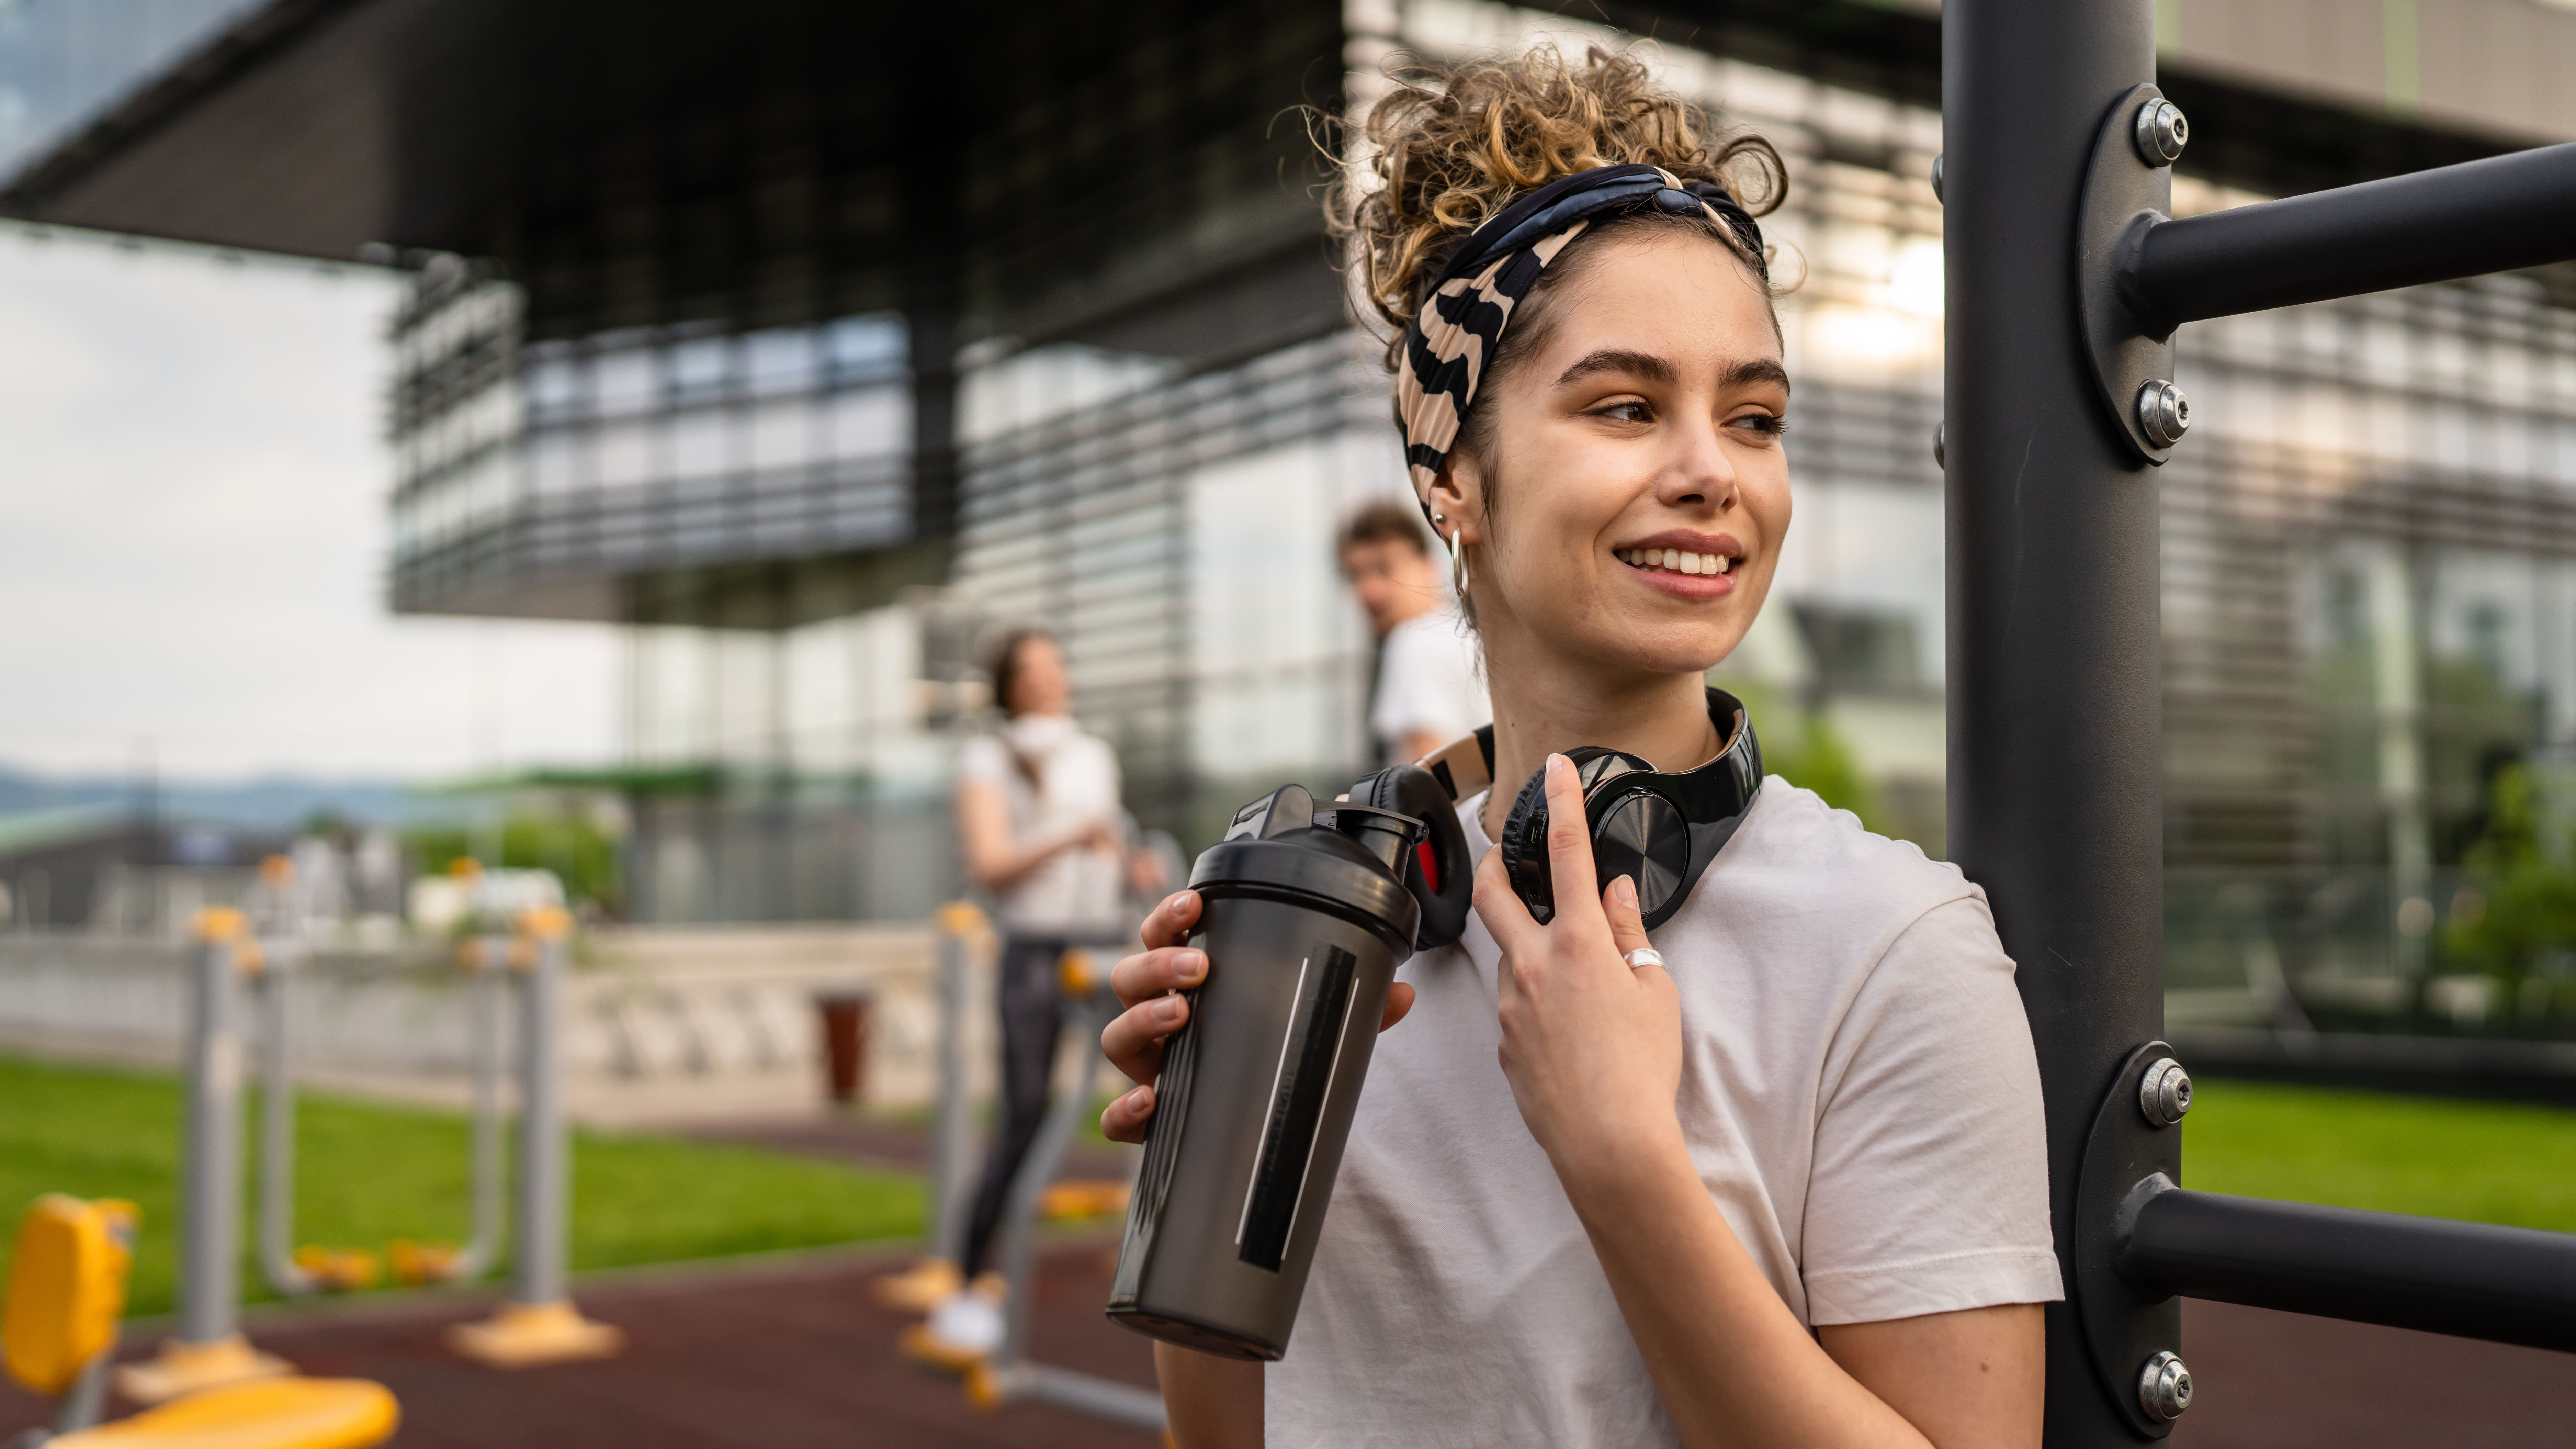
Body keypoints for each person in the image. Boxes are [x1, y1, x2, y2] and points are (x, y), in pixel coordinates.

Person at [1096, 45, 2057, 1449]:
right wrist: (1196, 1166)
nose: (1713, 470)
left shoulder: (1891, 944)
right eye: (1624, 405)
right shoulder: (1322, 919)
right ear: (1454, 481)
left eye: (1755, 416)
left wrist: (1618, 1153)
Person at [901, 627, 1154, 1360]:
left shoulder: (1091, 753)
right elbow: (991, 864)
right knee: (1024, 1115)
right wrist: (1070, 836)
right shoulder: (988, 756)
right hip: (1034, 952)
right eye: (1032, 670)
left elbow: (1109, 846)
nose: (1048, 679)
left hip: (1101, 939)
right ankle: (967, 1282)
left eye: (1055, 665)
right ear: (1008, 684)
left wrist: (1129, 864)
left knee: (1165, 1089)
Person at [1339, 500, 1490, 767]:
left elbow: (1428, 781)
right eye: (1355, 576)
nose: (1369, 591)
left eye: (1384, 569)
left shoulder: (1415, 642)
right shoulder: (1468, 635)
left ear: (1428, 567)